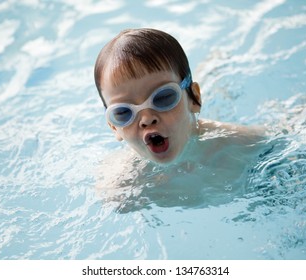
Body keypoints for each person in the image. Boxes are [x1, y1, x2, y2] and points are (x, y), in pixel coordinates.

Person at [94, 28, 265, 210]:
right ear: (113, 127)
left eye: (163, 97)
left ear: (195, 99)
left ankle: (215, 65)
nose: (146, 119)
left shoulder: (240, 143)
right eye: (123, 113)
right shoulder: (122, 186)